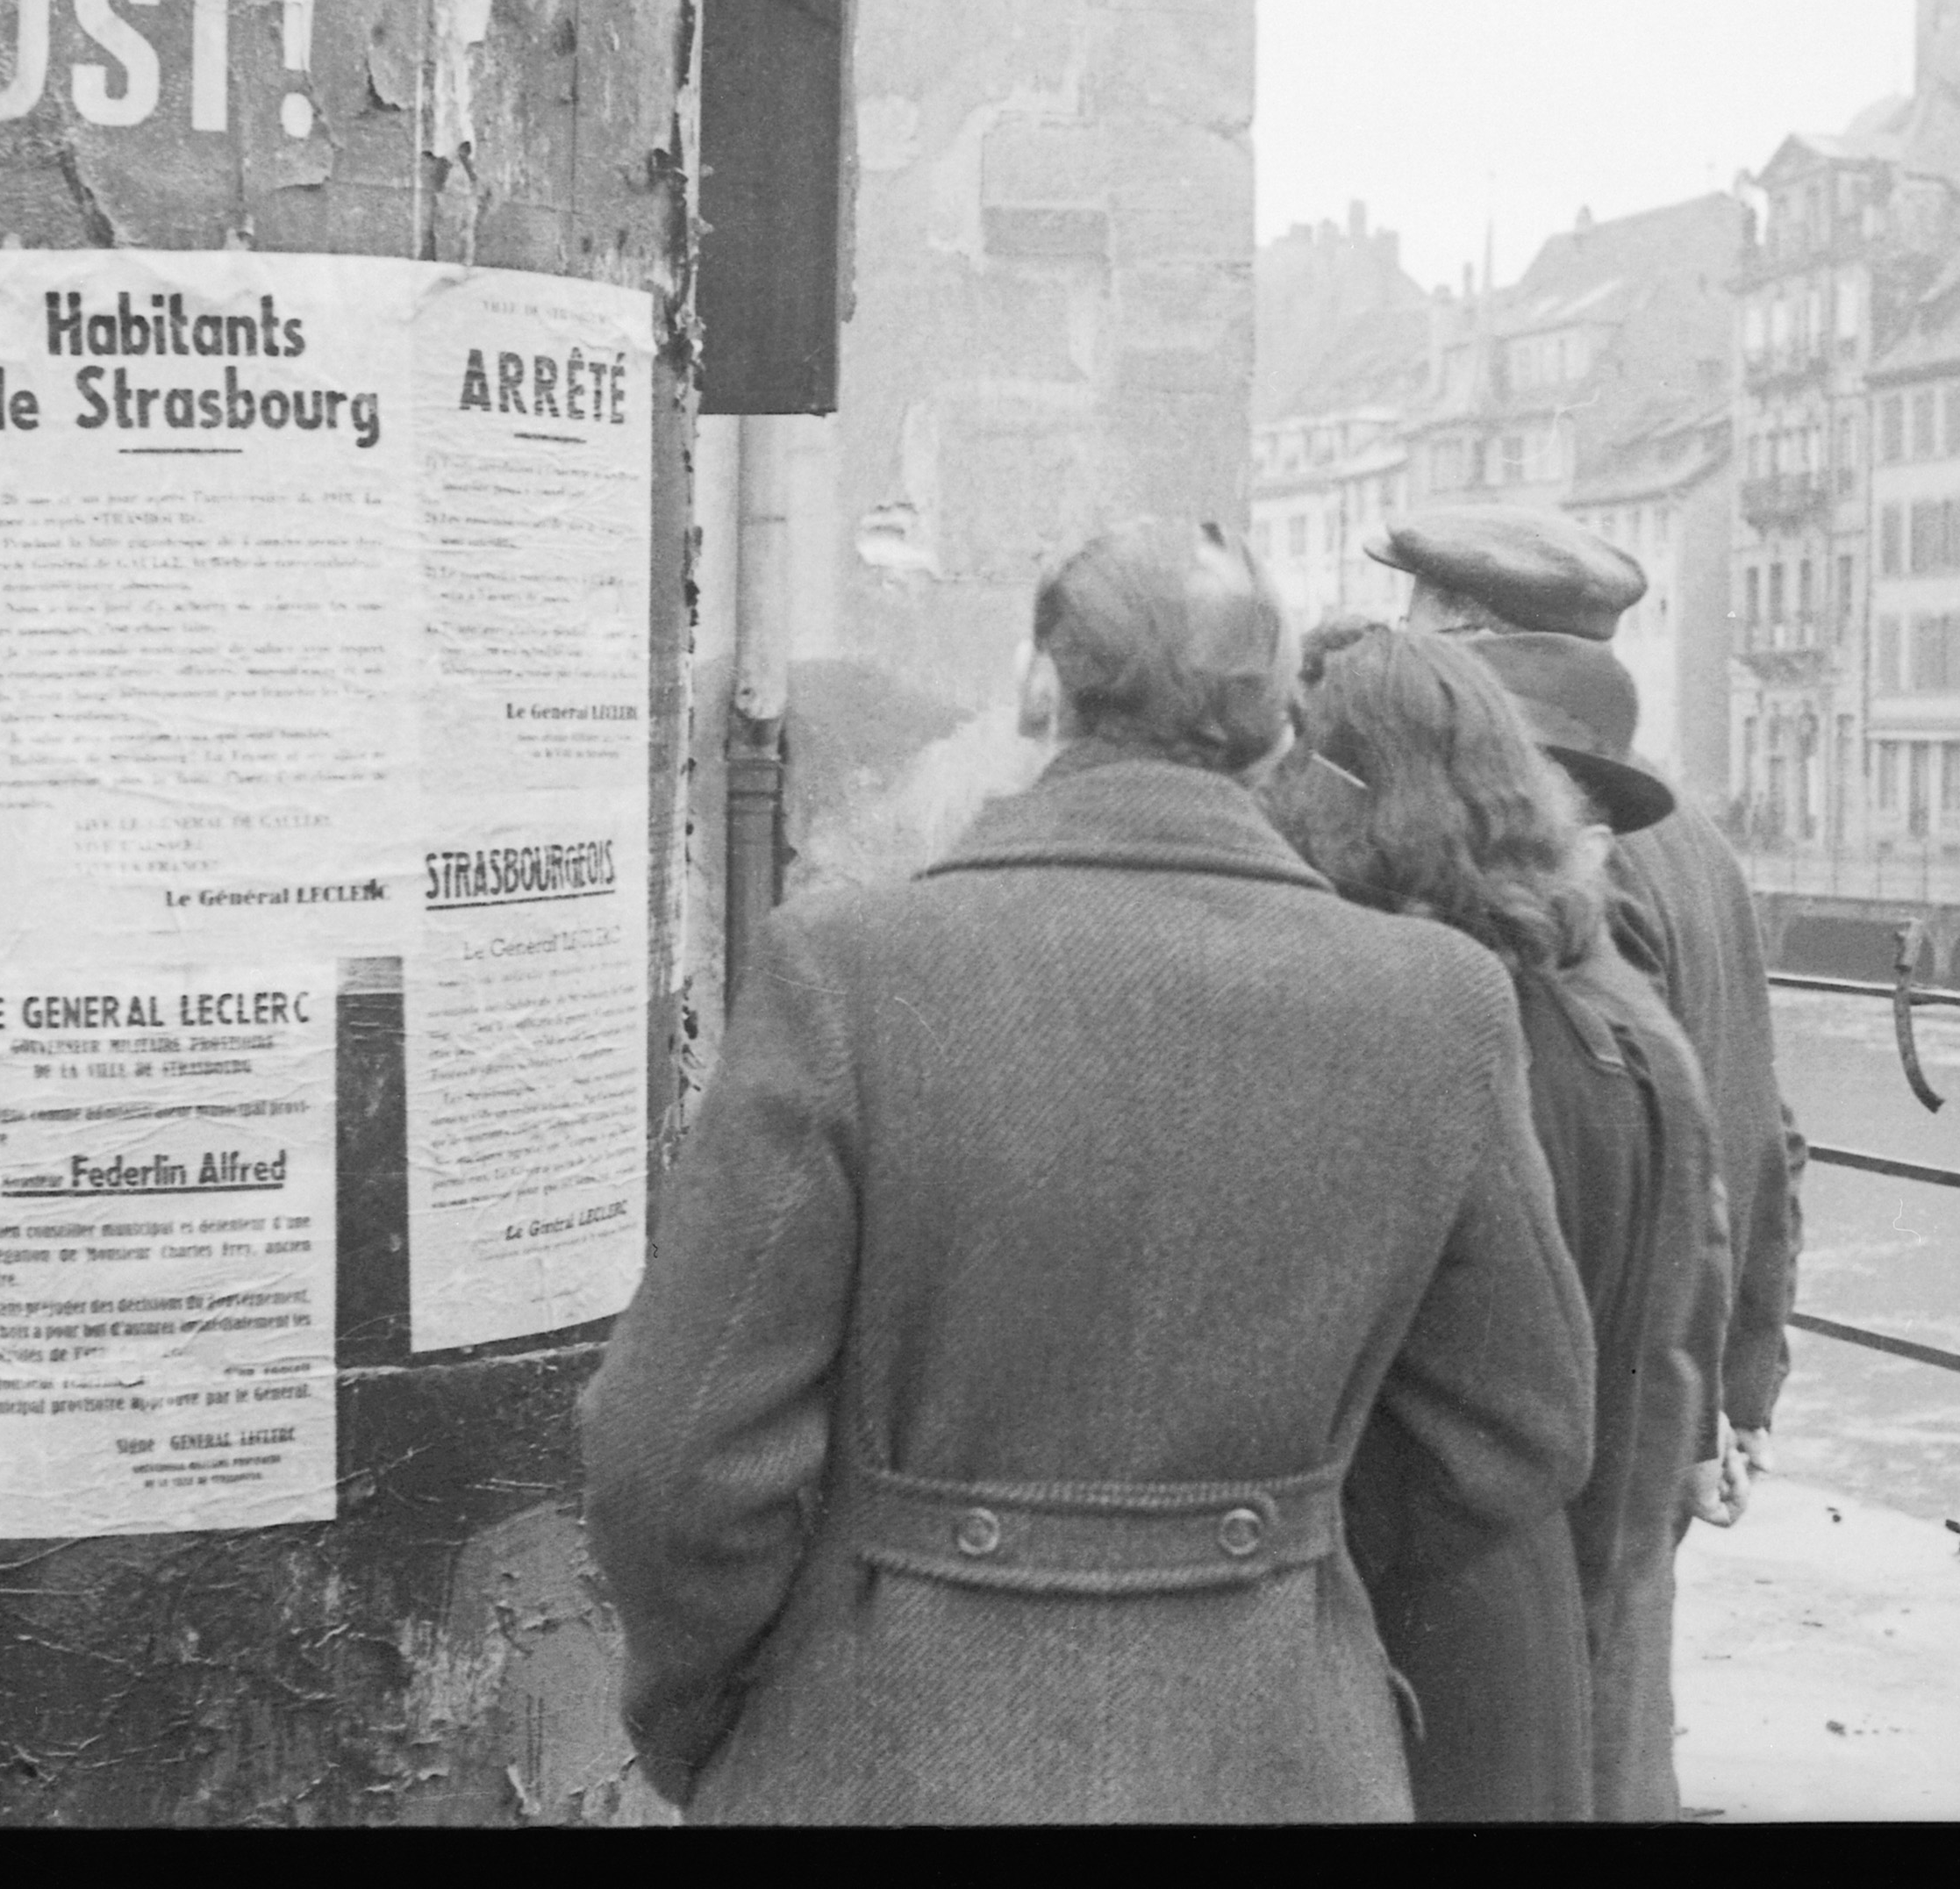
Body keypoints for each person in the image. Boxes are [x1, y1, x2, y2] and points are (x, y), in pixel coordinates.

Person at [577, 519, 1597, 1824]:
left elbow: (671, 1450)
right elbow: (1520, 1429)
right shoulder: (1440, 1002)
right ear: (1282, 726)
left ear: (1040, 688)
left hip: (877, 1745)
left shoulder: (850, 971)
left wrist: (716, 1715)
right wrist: (1275, 1547)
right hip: (1279, 1752)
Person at [1260, 622, 1732, 1822]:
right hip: (1555, 1635)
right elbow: (1657, 1368)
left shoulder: (1453, 1036)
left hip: (1439, 1647)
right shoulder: (1612, 1017)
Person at [1370, 505, 1808, 1502]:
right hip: (1661, 1389)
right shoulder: (1689, 832)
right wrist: (1744, 1383)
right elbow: (1760, 1125)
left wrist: (1694, 1415)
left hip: (1591, 1394)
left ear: (1464, 635)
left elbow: (1650, 1143)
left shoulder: (1539, 847)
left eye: (1415, 620)